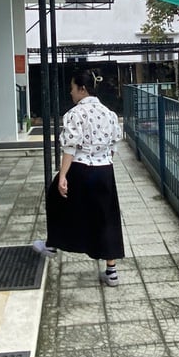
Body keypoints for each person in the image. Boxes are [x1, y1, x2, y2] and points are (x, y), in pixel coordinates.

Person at [32, 70, 125, 286]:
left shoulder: (74, 114)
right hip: (104, 171)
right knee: (106, 217)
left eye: (73, 89)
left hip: (81, 169)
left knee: (57, 198)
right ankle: (111, 271)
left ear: (82, 89)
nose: (71, 93)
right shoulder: (110, 114)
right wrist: (103, 160)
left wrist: (63, 175)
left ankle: (53, 244)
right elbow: (113, 146)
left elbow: (70, 148)